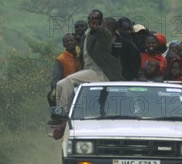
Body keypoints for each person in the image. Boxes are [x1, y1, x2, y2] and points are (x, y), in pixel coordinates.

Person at [51, 10, 123, 138]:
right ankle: (60, 115)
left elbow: (104, 40)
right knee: (61, 84)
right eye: (91, 18)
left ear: (101, 21)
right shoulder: (86, 34)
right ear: (88, 20)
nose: (93, 21)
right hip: (88, 70)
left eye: (96, 19)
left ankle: (65, 118)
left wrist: (99, 29)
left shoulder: (104, 33)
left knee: (68, 81)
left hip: (100, 71)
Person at [48, 33, 82, 106]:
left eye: (71, 40)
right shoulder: (61, 59)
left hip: (82, 90)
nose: (69, 42)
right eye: (66, 41)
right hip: (67, 90)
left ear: (75, 42)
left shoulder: (81, 55)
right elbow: (55, 80)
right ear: (64, 45)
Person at [105, 17, 141, 81]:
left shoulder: (130, 44)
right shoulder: (101, 41)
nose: (129, 32)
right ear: (118, 29)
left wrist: (123, 79)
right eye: (126, 30)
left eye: (131, 29)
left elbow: (135, 65)